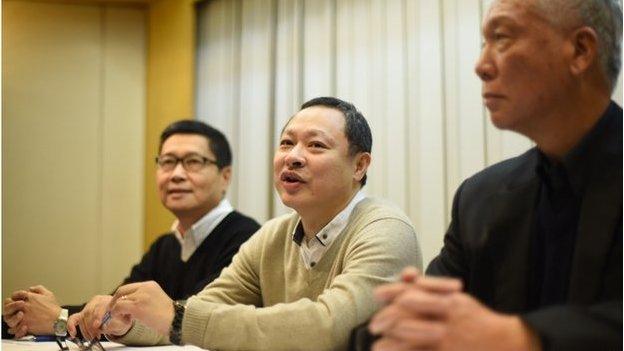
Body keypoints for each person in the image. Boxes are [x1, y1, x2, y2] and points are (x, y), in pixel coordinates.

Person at [356, 0, 623, 350]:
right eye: (484, 44)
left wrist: (520, 337)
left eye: (502, 38)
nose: (481, 66)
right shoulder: (480, 198)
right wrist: (395, 330)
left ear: (580, 50)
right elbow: (424, 323)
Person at [68, 97, 423, 350]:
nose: (293, 157)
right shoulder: (272, 236)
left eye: (315, 145)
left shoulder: (386, 229)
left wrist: (176, 317)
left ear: (359, 166)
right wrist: (129, 323)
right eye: (286, 143)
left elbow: (327, 328)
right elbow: (203, 310)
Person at [2, 120, 260, 340]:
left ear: (225, 176)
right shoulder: (165, 245)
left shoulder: (247, 238)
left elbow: (189, 319)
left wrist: (58, 319)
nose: (176, 174)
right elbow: (113, 307)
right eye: (168, 162)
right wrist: (25, 314)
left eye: (193, 161)